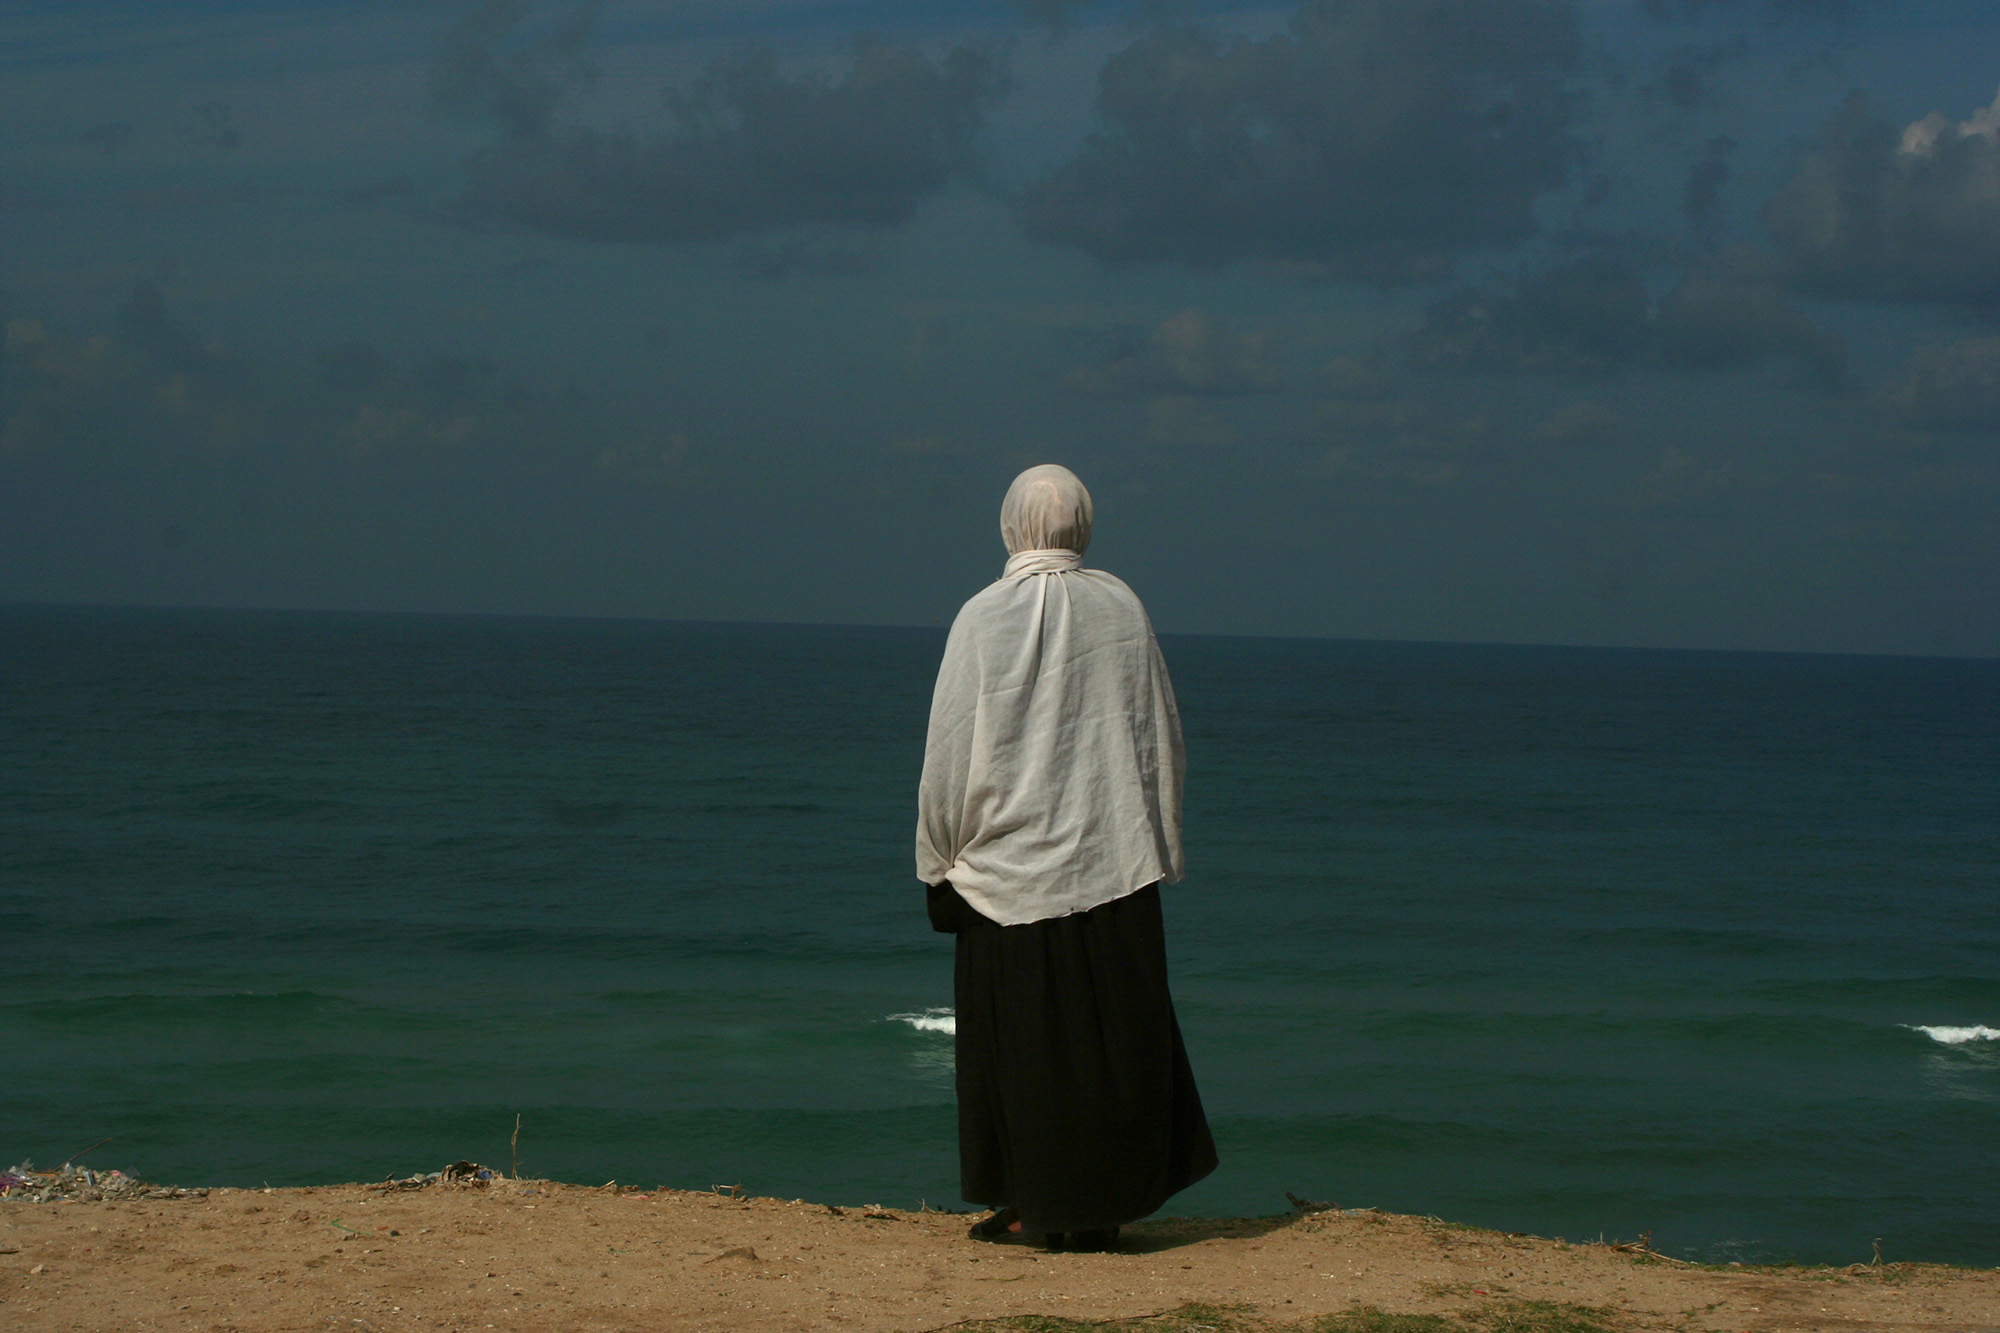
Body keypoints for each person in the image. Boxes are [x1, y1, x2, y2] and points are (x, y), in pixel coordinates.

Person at [916, 463, 1217, 1253]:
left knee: (1022, 1050)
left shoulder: (981, 617)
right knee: (1110, 1050)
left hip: (1005, 870)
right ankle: (1101, 1209)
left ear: (1012, 523)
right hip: (1110, 858)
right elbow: (1160, 737)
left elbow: (949, 752)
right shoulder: (1122, 607)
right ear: (1082, 521)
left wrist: (937, 857)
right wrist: (1158, 838)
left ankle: (1032, 1206)